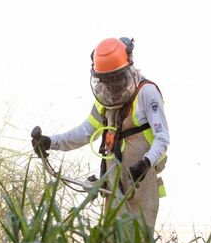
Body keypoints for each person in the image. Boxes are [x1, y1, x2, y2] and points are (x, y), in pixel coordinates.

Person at [31, 37, 169, 229]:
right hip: (113, 186)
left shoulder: (147, 93)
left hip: (142, 186)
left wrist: (146, 163)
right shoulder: (105, 100)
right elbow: (86, 131)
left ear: (128, 70)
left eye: (117, 79)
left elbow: (162, 138)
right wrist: (50, 142)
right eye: (106, 81)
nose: (112, 87)